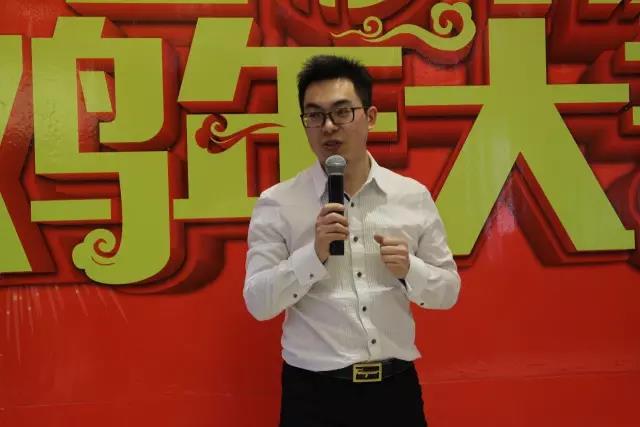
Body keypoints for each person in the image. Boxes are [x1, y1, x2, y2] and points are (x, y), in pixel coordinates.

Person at [243, 55, 460, 427]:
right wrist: (313, 256)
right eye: (314, 115)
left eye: (342, 112)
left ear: (370, 116)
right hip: (314, 395)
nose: (328, 127)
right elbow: (258, 302)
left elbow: (448, 291)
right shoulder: (278, 203)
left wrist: (410, 269)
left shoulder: (411, 196)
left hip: (395, 392)